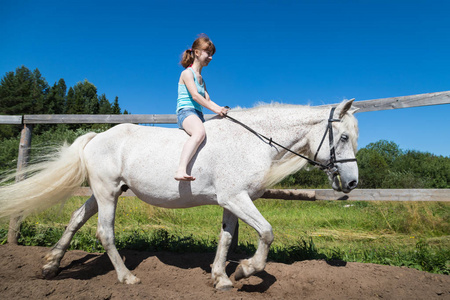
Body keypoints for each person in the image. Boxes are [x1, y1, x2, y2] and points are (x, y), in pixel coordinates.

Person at [175, 34, 229, 181]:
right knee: (199, 133)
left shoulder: (201, 79)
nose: (211, 57)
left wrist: (222, 110)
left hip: (198, 114)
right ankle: (180, 169)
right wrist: (217, 109)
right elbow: (196, 97)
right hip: (186, 112)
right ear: (197, 53)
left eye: (212, 54)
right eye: (208, 53)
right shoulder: (187, 73)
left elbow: (208, 100)